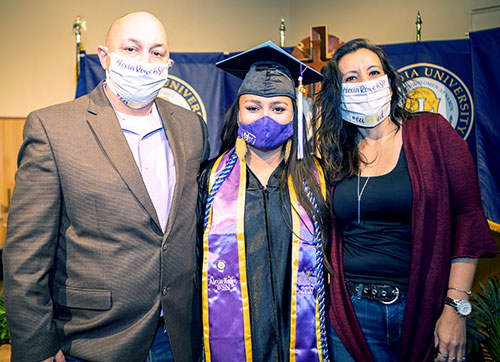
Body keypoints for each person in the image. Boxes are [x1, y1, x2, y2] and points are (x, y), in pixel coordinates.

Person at [3, 12, 209, 362]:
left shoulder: (191, 127)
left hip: (176, 336)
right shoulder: (53, 128)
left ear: (169, 62)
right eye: (131, 49)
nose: (145, 62)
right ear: (104, 56)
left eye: (157, 53)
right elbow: (25, 255)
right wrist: (37, 345)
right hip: (91, 339)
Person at [312, 38, 498, 362]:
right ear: (337, 93)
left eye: (373, 72)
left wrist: (456, 308)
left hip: (422, 307)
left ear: (388, 80)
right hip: (351, 312)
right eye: (351, 78)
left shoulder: (431, 132)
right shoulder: (333, 154)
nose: (365, 84)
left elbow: (468, 219)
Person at [198, 41, 330, 362]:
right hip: (235, 333)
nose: (265, 117)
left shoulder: (318, 178)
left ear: (294, 114)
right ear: (238, 113)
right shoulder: (211, 179)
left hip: (298, 335)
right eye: (253, 107)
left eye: (278, 108)